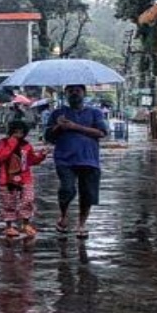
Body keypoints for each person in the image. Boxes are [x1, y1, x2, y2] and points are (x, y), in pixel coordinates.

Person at [46, 84, 108, 239]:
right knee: (67, 189)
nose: (74, 94)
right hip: (64, 159)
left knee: (87, 193)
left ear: (84, 93)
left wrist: (75, 126)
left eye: (77, 91)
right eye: (70, 91)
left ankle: (81, 224)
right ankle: (63, 215)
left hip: (89, 159)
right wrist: (58, 127)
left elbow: (101, 133)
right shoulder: (57, 113)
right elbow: (48, 137)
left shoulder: (95, 113)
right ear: (65, 94)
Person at [0, 121, 48, 238]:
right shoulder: (3, 143)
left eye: (21, 132)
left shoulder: (27, 145)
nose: (18, 135)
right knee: (8, 202)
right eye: (15, 132)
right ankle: (9, 226)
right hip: (7, 179)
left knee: (28, 199)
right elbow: (0, 157)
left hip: (25, 178)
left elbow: (32, 160)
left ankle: (26, 223)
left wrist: (41, 155)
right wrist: (12, 143)